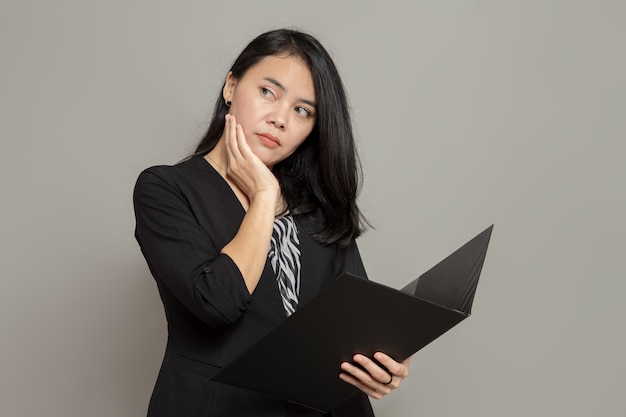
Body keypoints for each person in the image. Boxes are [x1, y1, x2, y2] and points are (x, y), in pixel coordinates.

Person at [133, 28, 411, 417]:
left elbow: (354, 319)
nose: (280, 119)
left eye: (302, 110)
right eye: (268, 92)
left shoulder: (317, 205)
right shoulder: (167, 189)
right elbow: (217, 303)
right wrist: (264, 197)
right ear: (231, 86)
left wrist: (383, 363)